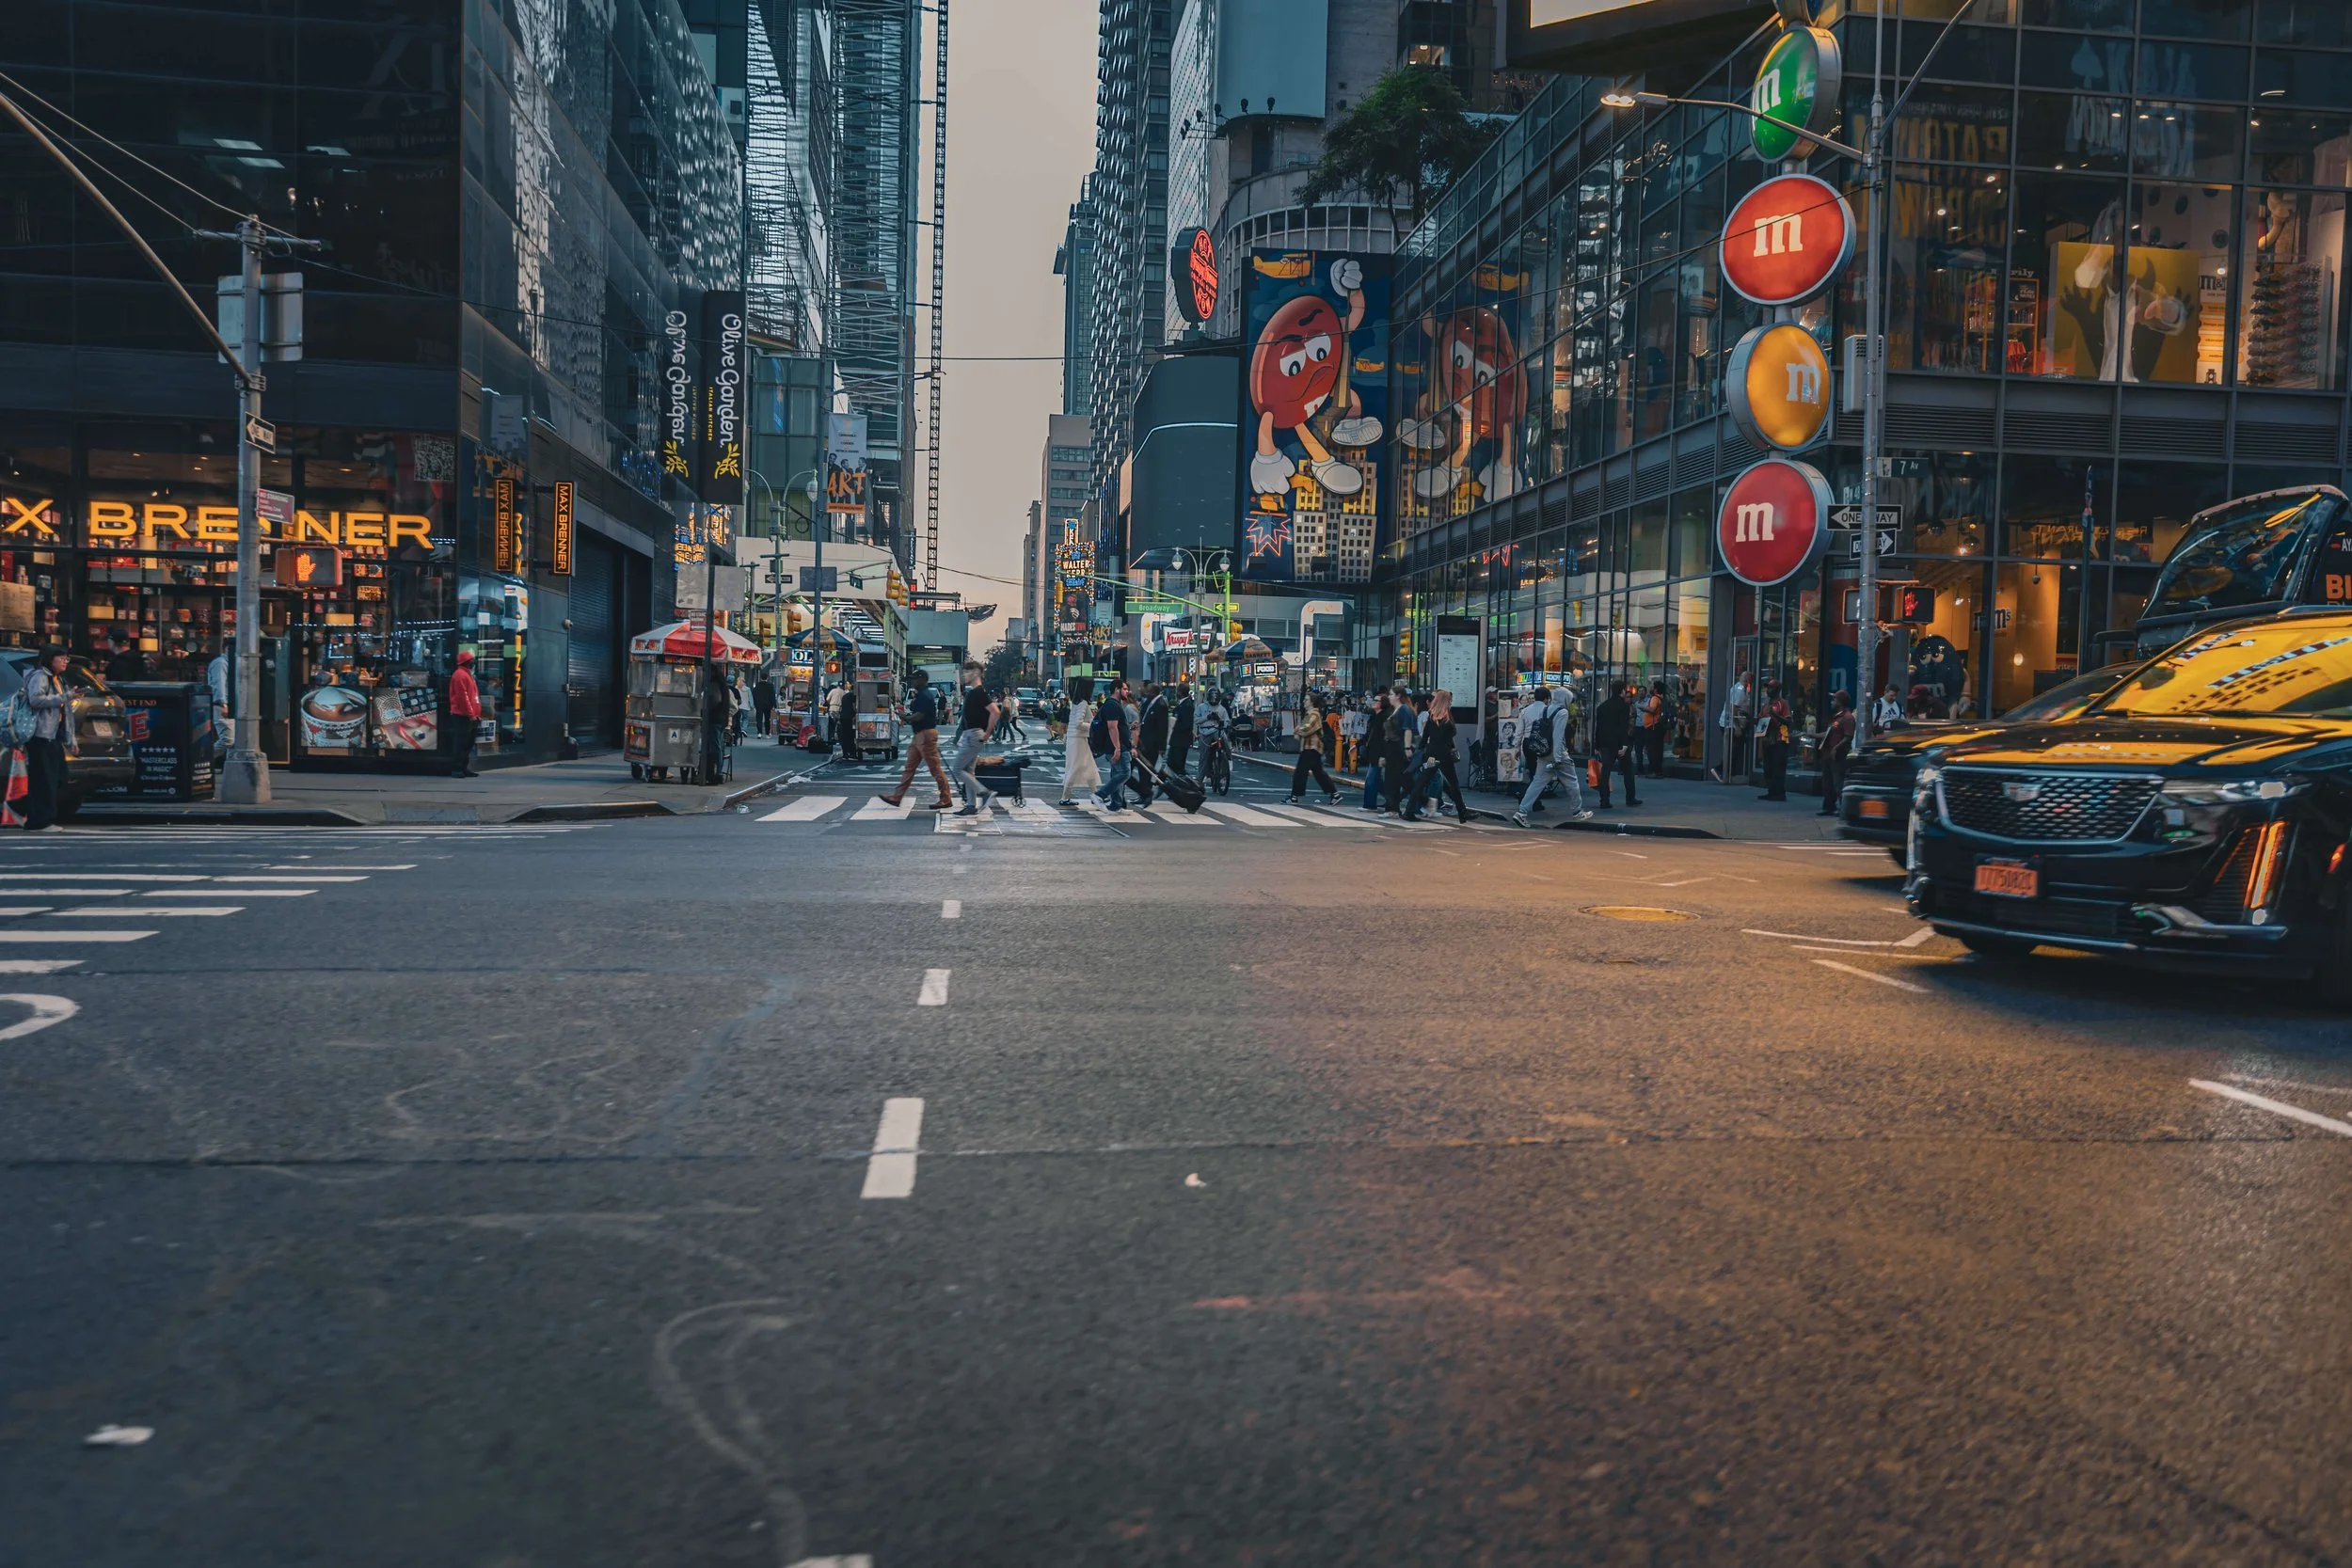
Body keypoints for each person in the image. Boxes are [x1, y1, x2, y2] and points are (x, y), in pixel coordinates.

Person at [1511, 684, 1589, 828]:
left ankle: (1521, 812)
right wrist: (1558, 758)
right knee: (1572, 782)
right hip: (1557, 754)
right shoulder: (1562, 712)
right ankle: (1578, 811)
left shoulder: (1545, 710)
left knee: (1536, 783)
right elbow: (1558, 736)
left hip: (1543, 752)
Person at [881, 668, 954, 809]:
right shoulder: (922, 694)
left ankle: (946, 798)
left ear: (922, 679)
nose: (912, 682)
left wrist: (905, 717)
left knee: (934, 768)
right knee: (909, 767)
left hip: (925, 735)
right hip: (920, 735)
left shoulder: (924, 695)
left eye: (914, 679)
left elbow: (919, 715)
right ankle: (897, 796)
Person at [19, 645, 72, 832]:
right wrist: (64, 697)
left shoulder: (58, 679)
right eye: (62, 658)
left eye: (67, 658)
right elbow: (36, 700)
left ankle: (25, 808)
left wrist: (70, 739)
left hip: (53, 735)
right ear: (50, 659)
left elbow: (64, 712)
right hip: (40, 735)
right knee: (44, 779)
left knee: (59, 776)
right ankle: (40, 820)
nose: (65, 661)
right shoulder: (40, 676)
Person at [1404, 689, 1471, 824]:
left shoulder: (1431, 716)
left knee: (1422, 782)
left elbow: (1425, 738)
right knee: (1453, 784)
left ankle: (1409, 810)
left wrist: (1421, 752)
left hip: (1431, 755)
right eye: (1449, 701)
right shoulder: (1447, 717)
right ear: (1446, 702)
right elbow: (1449, 736)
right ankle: (1462, 813)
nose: (1451, 703)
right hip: (1444, 755)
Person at [949, 660, 997, 816]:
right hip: (971, 735)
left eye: (967, 672)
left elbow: (995, 712)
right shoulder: (974, 692)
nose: (964, 675)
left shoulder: (979, 692)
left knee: (956, 769)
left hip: (974, 736)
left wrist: (988, 733)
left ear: (976, 673)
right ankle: (971, 805)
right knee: (969, 771)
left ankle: (984, 792)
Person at [1592, 681, 1641, 809]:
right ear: (1622, 691)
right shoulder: (1623, 706)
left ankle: (1604, 800)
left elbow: (1599, 727)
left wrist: (1597, 745)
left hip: (1605, 743)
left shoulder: (1602, 707)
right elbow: (1623, 726)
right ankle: (1630, 798)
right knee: (1628, 771)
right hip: (1619, 744)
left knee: (1605, 772)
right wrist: (1625, 744)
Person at [1090, 674, 1133, 811]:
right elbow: (1112, 727)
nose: (1127, 692)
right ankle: (1100, 795)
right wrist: (1118, 748)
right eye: (1124, 689)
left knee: (1117, 773)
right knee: (1125, 773)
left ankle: (1116, 804)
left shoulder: (1113, 705)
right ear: (1117, 689)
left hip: (1118, 745)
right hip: (1117, 746)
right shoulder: (1112, 705)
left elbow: (1117, 726)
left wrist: (1129, 727)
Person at [1288, 694, 1340, 803]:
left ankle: (1294, 796)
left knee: (1300, 772)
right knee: (1318, 773)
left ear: (1312, 702)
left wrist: (1298, 730)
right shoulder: (1309, 715)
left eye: (1306, 700)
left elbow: (1307, 728)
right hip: (1310, 747)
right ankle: (1335, 794)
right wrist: (1299, 732)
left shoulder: (1314, 714)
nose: (1304, 702)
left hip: (1311, 747)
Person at [1058, 675, 1100, 805]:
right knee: (1077, 767)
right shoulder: (1083, 703)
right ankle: (1065, 797)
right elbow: (1078, 723)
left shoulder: (1076, 702)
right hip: (1078, 739)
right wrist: (1093, 725)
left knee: (1087, 767)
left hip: (1075, 738)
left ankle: (1095, 795)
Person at [1819, 689, 1857, 816]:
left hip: (1839, 756)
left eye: (1834, 699)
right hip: (1828, 754)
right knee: (1828, 782)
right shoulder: (1837, 717)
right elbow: (1828, 734)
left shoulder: (1847, 718)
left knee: (1838, 783)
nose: (1832, 702)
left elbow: (1848, 737)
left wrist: (1836, 748)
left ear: (1839, 702)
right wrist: (1809, 735)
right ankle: (1828, 807)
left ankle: (1843, 809)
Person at [1379, 683, 1414, 815]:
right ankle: (1392, 808)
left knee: (1398, 780)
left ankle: (1425, 800)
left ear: (1398, 696)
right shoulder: (1392, 710)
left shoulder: (1404, 710)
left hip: (1398, 748)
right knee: (1391, 779)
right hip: (1390, 749)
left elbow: (1407, 730)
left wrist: (1407, 748)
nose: (1389, 696)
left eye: (1391, 694)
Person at [1756, 678, 1793, 801]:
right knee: (1768, 767)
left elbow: (1788, 721)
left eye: (1770, 688)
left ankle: (1779, 793)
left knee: (1778, 767)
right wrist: (1751, 718)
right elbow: (1760, 721)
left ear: (1777, 690)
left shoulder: (1783, 703)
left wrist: (1775, 715)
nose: (1768, 690)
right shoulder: (1766, 706)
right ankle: (1771, 791)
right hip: (1767, 739)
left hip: (1779, 739)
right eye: (1767, 688)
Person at [447, 649, 482, 778]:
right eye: (472, 660)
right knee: (461, 743)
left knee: (467, 743)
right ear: (467, 662)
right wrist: (471, 714)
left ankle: (462, 767)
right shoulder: (461, 675)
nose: (473, 662)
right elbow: (463, 697)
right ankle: (457, 769)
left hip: (469, 715)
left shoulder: (466, 675)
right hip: (463, 716)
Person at [701, 661, 735, 784]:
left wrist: (705, 709)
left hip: (714, 719)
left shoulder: (714, 684)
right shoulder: (722, 685)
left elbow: (715, 699)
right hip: (721, 719)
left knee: (716, 747)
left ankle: (717, 772)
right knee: (718, 746)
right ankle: (717, 771)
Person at [1359, 691, 1390, 810]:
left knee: (1371, 778)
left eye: (1377, 701)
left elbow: (1385, 737)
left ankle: (1369, 804)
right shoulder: (1375, 717)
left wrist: (1383, 754)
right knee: (1377, 781)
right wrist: (1358, 744)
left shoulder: (1385, 717)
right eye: (1374, 700)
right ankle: (1392, 800)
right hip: (1373, 752)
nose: (1374, 702)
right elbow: (1369, 735)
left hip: (1380, 752)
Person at [1719, 672, 1752, 783]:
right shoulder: (1740, 691)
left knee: (1734, 750)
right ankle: (1721, 770)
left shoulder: (1739, 688)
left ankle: (1728, 774)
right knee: (1734, 750)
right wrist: (1737, 726)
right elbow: (1733, 708)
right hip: (1731, 724)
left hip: (1731, 723)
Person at [1167, 682, 1196, 778]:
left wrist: (1173, 724)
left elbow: (1186, 724)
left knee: (1177, 766)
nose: (1176, 694)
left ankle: (1187, 784)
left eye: (1177, 691)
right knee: (1173, 765)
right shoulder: (1183, 704)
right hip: (1177, 741)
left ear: (1180, 692)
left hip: (1181, 741)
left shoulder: (1187, 705)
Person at [834, 680, 862, 762]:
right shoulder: (853, 696)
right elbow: (854, 708)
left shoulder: (845, 696)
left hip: (843, 718)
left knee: (844, 736)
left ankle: (846, 753)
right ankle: (852, 753)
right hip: (849, 718)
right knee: (851, 736)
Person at [752, 669, 777, 738]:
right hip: (768, 705)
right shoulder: (770, 686)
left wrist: (755, 703)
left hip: (759, 705)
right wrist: (774, 705)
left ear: (760, 678)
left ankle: (759, 733)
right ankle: (767, 733)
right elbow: (772, 696)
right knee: (767, 719)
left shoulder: (757, 686)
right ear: (767, 678)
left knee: (759, 719)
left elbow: (754, 695)